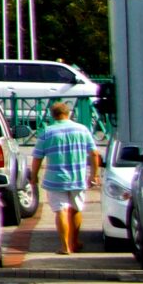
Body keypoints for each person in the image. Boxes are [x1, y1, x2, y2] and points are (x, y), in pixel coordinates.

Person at [32, 100, 100, 255]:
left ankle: (65, 247)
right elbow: (94, 153)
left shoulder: (47, 132)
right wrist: (94, 175)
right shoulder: (82, 130)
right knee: (76, 209)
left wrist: (34, 176)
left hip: (55, 179)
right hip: (78, 178)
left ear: (53, 115)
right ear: (68, 113)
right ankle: (75, 242)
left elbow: (37, 157)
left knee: (61, 210)